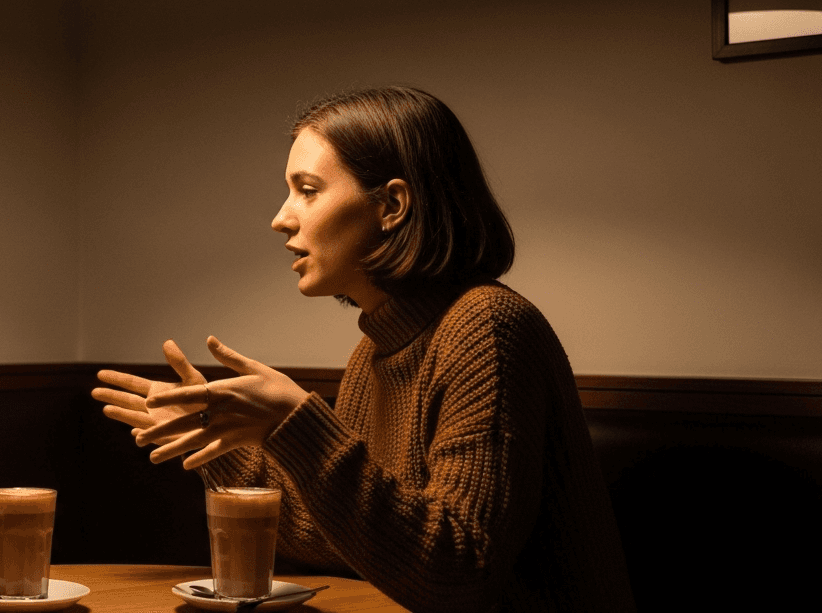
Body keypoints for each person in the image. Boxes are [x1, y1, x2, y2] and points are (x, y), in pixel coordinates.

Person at [93, 87, 636, 612]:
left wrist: (296, 421)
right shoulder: (376, 347)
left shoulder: (487, 329)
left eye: (307, 189)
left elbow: (460, 572)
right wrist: (227, 441)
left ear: (392, 205)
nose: (281, 218)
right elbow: (347, 542)